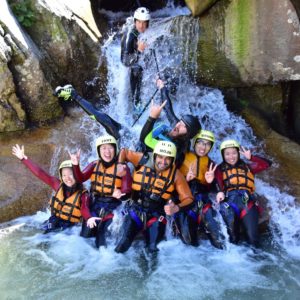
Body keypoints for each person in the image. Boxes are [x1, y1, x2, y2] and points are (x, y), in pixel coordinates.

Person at [114, 140, 194, 253]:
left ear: (172, 160)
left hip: (156, 214)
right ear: (155, 156)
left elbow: (189, 199)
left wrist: (176, 208)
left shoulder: (176, 175)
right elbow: (124, 152)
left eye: (167, 158)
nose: (163, 162)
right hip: (135, 209)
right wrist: (120, 164)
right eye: (160, 157)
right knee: (122, 244)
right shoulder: (143, 159)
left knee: (153, 249)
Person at [69, 135, 132, 248]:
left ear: (115, 149)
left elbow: (128, 191)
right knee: (85, 238)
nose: (107, 151)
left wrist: (120, 193)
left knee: (102, 244)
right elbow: (80, 178)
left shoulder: (122, 167)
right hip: (95, 206)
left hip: (114, 208)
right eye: (103, 148)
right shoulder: (94, 164)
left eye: (110, 148)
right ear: (98, 150)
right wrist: (75, 165)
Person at [12, 144, 89, 233]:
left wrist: (90, 218)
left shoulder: (83, 194)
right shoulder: (57, 185)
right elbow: (40, 173)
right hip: (54, 220)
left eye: (71, 175)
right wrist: (23, 158)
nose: (67, 178)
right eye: (64, 175)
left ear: (77, 175)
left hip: (70, 229)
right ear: (61, 177)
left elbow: (85, 209)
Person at [215, 139, 271, 247]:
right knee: (233, 240)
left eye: (234, 153)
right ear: (223, 155)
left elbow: (267, 164)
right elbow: (216, 183)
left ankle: (255, 259)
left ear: (238, 153)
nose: (231, 157)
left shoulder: (248, 167)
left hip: (247, 202)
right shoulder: (219, 169)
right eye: (227, 154)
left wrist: (251, 157)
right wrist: (219, 192)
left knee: (253, 240)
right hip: (229, 203)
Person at [177, 130, 225, 249]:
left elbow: (217, 184)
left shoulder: (211, 164)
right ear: (194, 143)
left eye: (208, 144)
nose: (203, 147)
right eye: (201, 143)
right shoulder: (183, 156)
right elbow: (169, 176)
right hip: (184, 200)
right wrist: (185, 179)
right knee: (188, 242)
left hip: (202, 201)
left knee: (218, 240)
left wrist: (213, 184)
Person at [139, 79, 201, 167]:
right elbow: (168, 108)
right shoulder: (176, 126)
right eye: (180, 121)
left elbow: (143, 140)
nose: (178, 125)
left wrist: (152, 117)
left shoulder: (176, 147)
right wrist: (162, 87)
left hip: (147, 158)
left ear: (188, 134)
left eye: (183, 126)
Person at [55, 85, 122, 140]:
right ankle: (74, 95)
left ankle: (74, 95)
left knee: (112, 126)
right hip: (127, 139)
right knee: (110, 125)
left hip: (125, 137)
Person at [121, 7, 150, 112]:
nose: (141, 26)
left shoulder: (143, 31)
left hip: (135, 58)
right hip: (128, 64)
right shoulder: (130, 35)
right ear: (135, 22)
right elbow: (125, 61)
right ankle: (136, 102)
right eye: (139, 22)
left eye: (144, 23)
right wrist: (138, 51)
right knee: (137, 69)